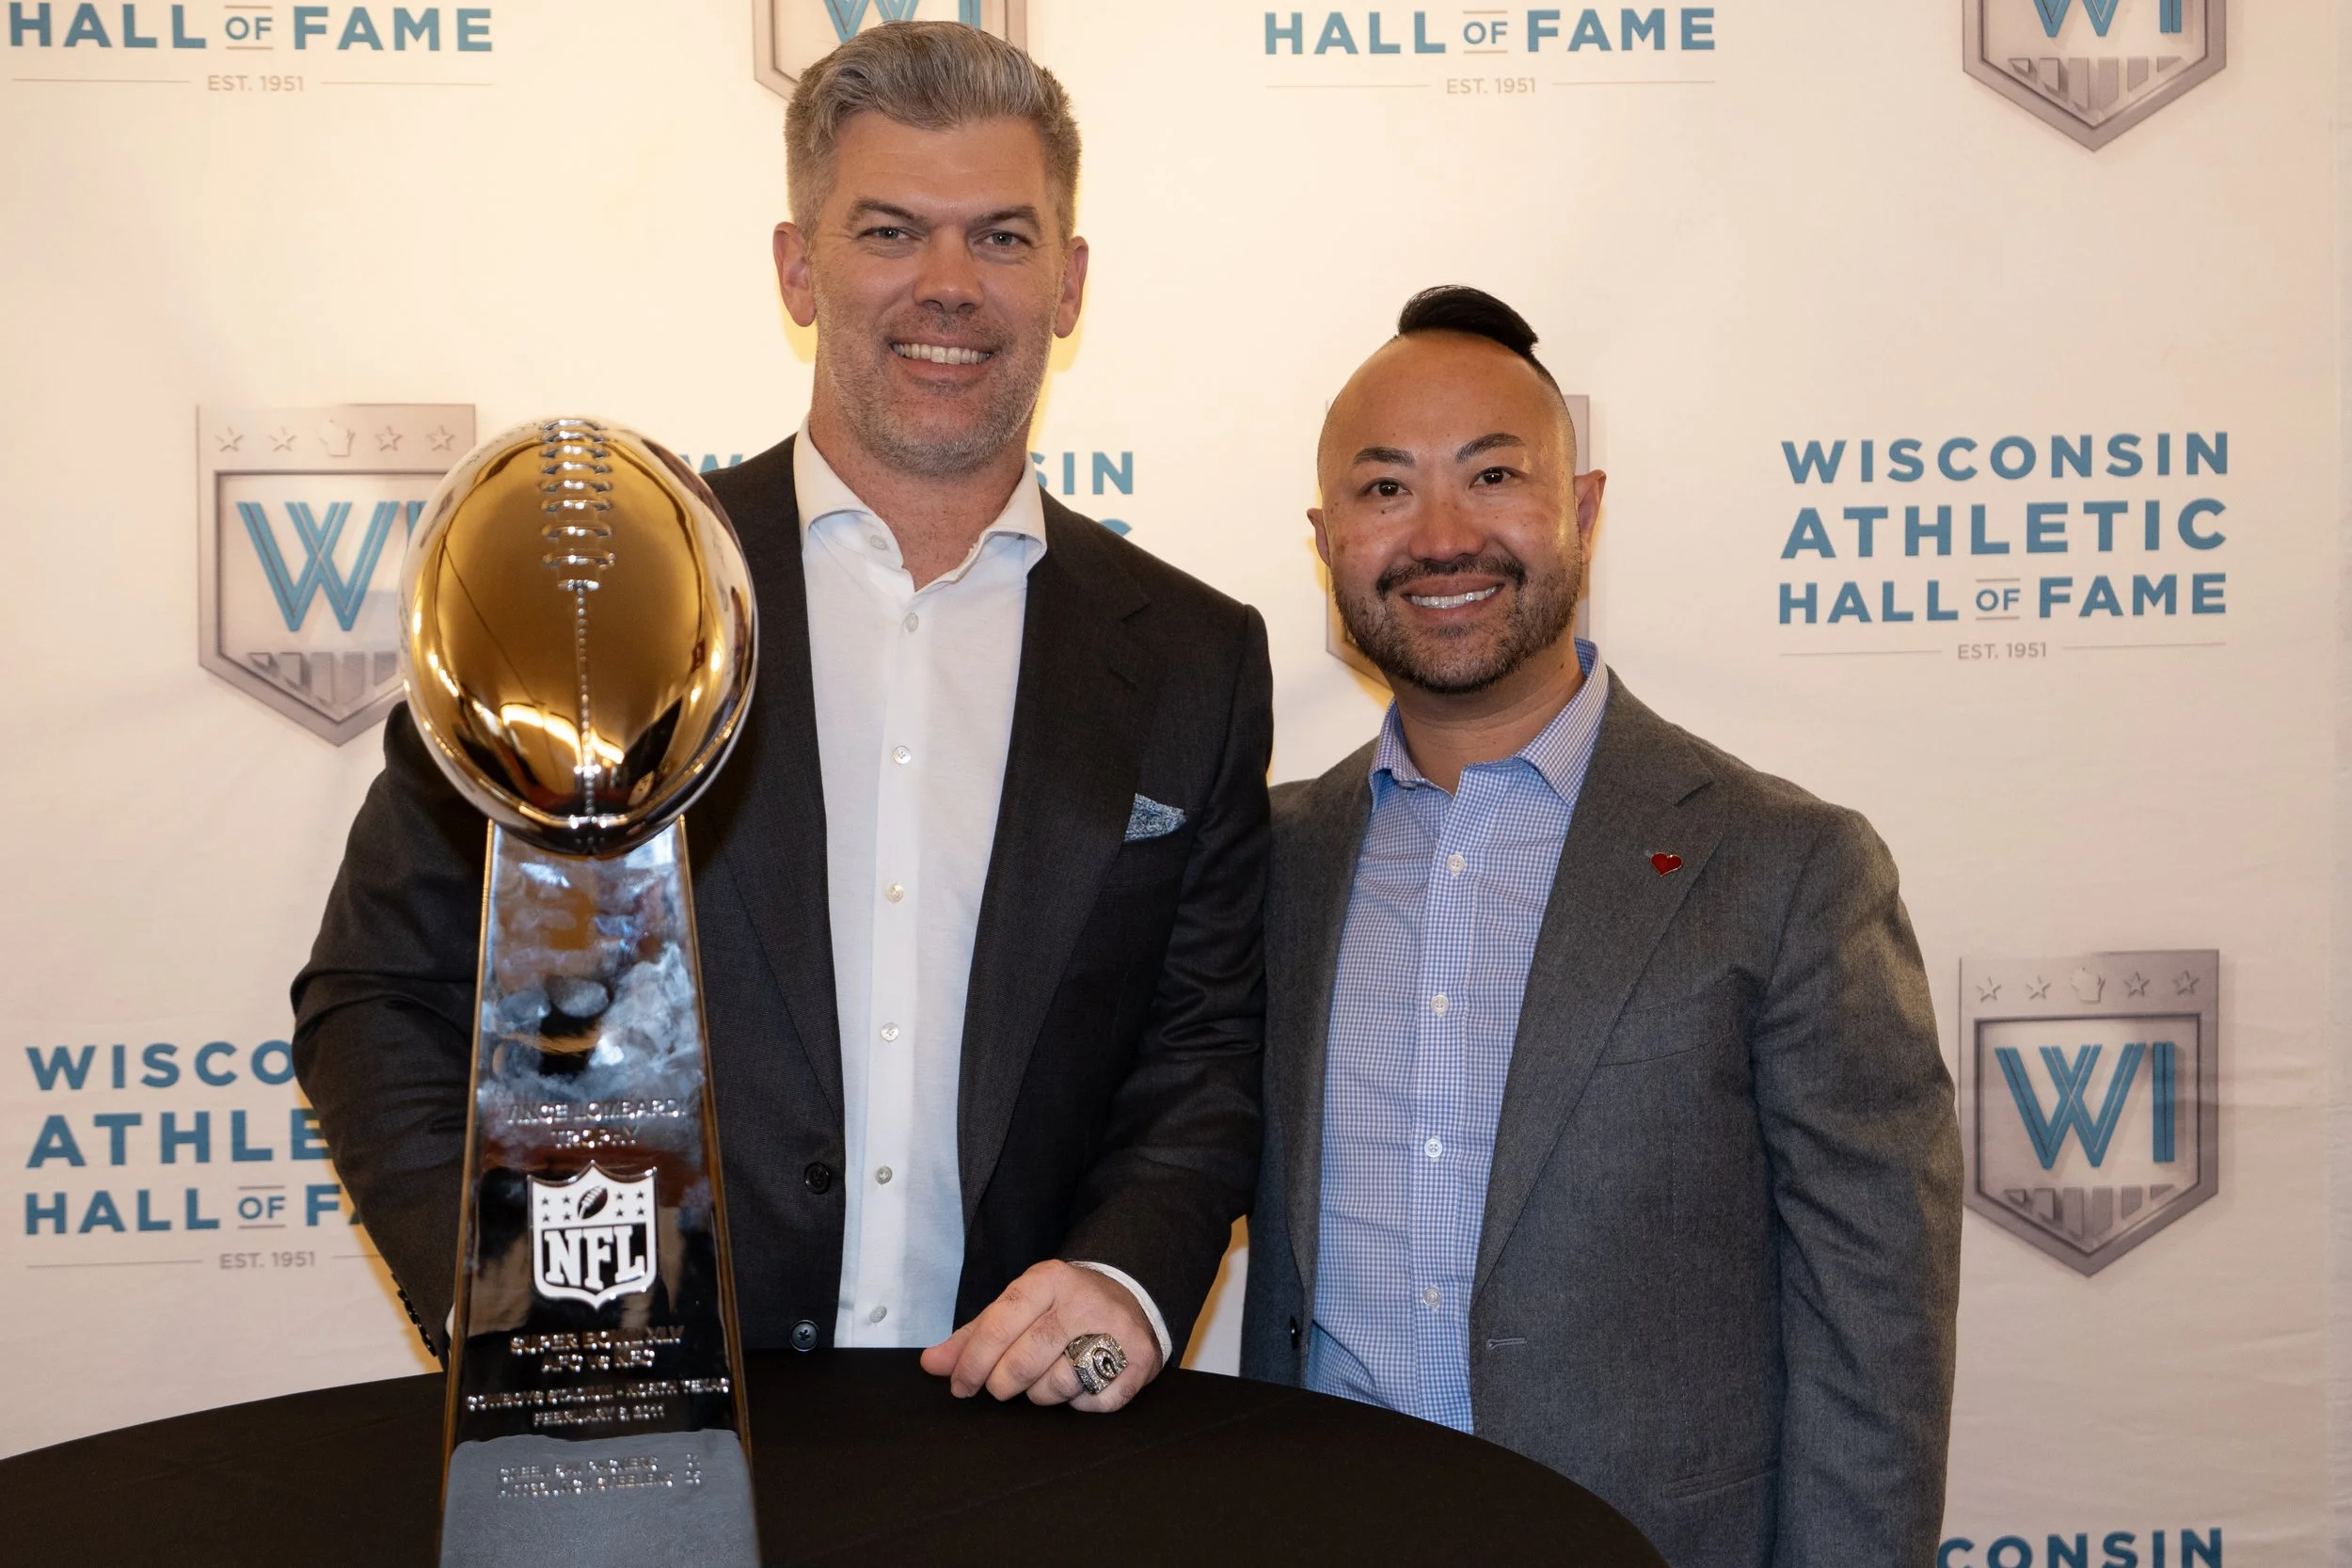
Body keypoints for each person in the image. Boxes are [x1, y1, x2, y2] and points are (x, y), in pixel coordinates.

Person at [293, 21, 1270, 1416]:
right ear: (798, 268)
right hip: (649, 1427)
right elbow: (379, 988)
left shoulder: (1195, 655)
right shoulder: (605, 588)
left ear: (1070, 283)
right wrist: (504, 1303)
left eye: (1002, 236)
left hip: (1024, 1442)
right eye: (888, 231)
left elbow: (1201, 1051)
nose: (948, 286)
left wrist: (1124, 1288)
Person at [1239, 286, 1962, 1562]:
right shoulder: (1267, 862)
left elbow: (1875, 1342)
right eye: (1386, 489)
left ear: (1583, 509)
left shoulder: (1788, 869)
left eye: (1494, 475)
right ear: (1325, 537)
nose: (1443, 535)